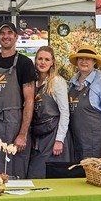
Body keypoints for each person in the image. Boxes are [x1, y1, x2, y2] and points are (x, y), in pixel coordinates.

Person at [0, 22, 36, 178]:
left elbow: (29, 101)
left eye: (9, 33)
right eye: (2, 33)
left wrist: (23, 134)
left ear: (16, 37)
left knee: (13, 169)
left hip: (14, 124)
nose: (6, 36)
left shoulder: (25, 64)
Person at [67, 44, 101, 162]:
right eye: (81, 58)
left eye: (88, 59)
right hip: (77, 143)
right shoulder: (72, 82)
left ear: (94, 62)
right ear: (77, 61)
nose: (84, 61)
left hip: (98, 145)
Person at [27, 46, 71, 178]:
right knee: (35, 174)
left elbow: (65, 112)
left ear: (52, 62)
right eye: (40, 59)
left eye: (47, 59)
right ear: (35, 61)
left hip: (53, 133)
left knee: (49, 176)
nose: (42, 62)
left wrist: (59, 140)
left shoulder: (57, 82)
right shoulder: (33, 82)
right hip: (39, 133)